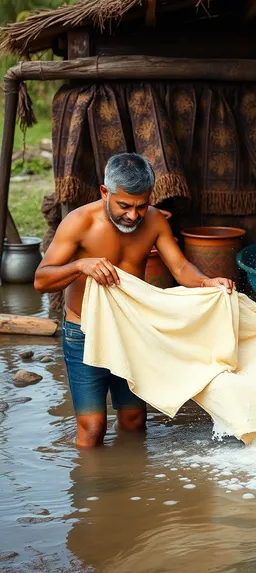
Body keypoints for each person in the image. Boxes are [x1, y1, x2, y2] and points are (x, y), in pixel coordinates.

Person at [34, 152, 234, 448]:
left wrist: (206, 282)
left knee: (133, 421)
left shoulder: (154, 222)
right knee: (92, 429)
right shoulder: (79, 222)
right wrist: (80, 266)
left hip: (131, 330)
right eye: (124, 205)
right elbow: (41, 280)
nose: (133, 215)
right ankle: (92, 490)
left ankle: (131, 485)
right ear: (105, 192)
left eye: (142, 205)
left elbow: (179, 268)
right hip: (83, 332)